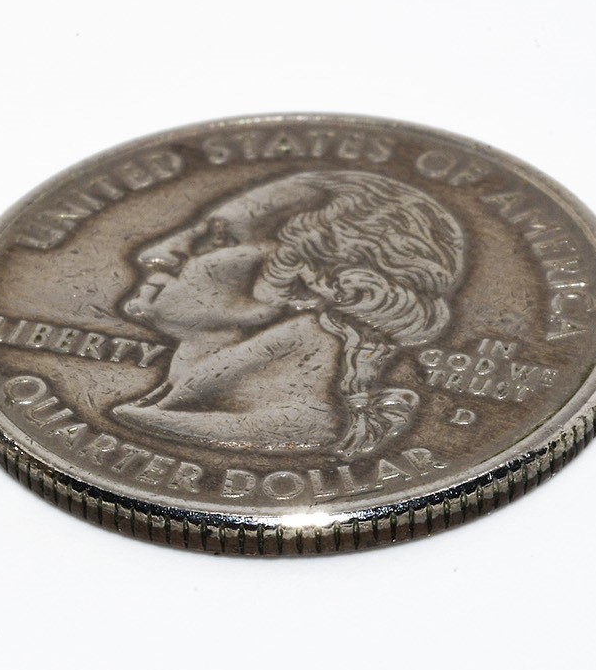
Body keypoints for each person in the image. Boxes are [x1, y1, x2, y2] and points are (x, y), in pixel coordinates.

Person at [112, 170, 465, 458]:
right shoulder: (166, 409)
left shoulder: (296, 429)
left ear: (315, 284)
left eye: (220, 239)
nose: (155, 253)